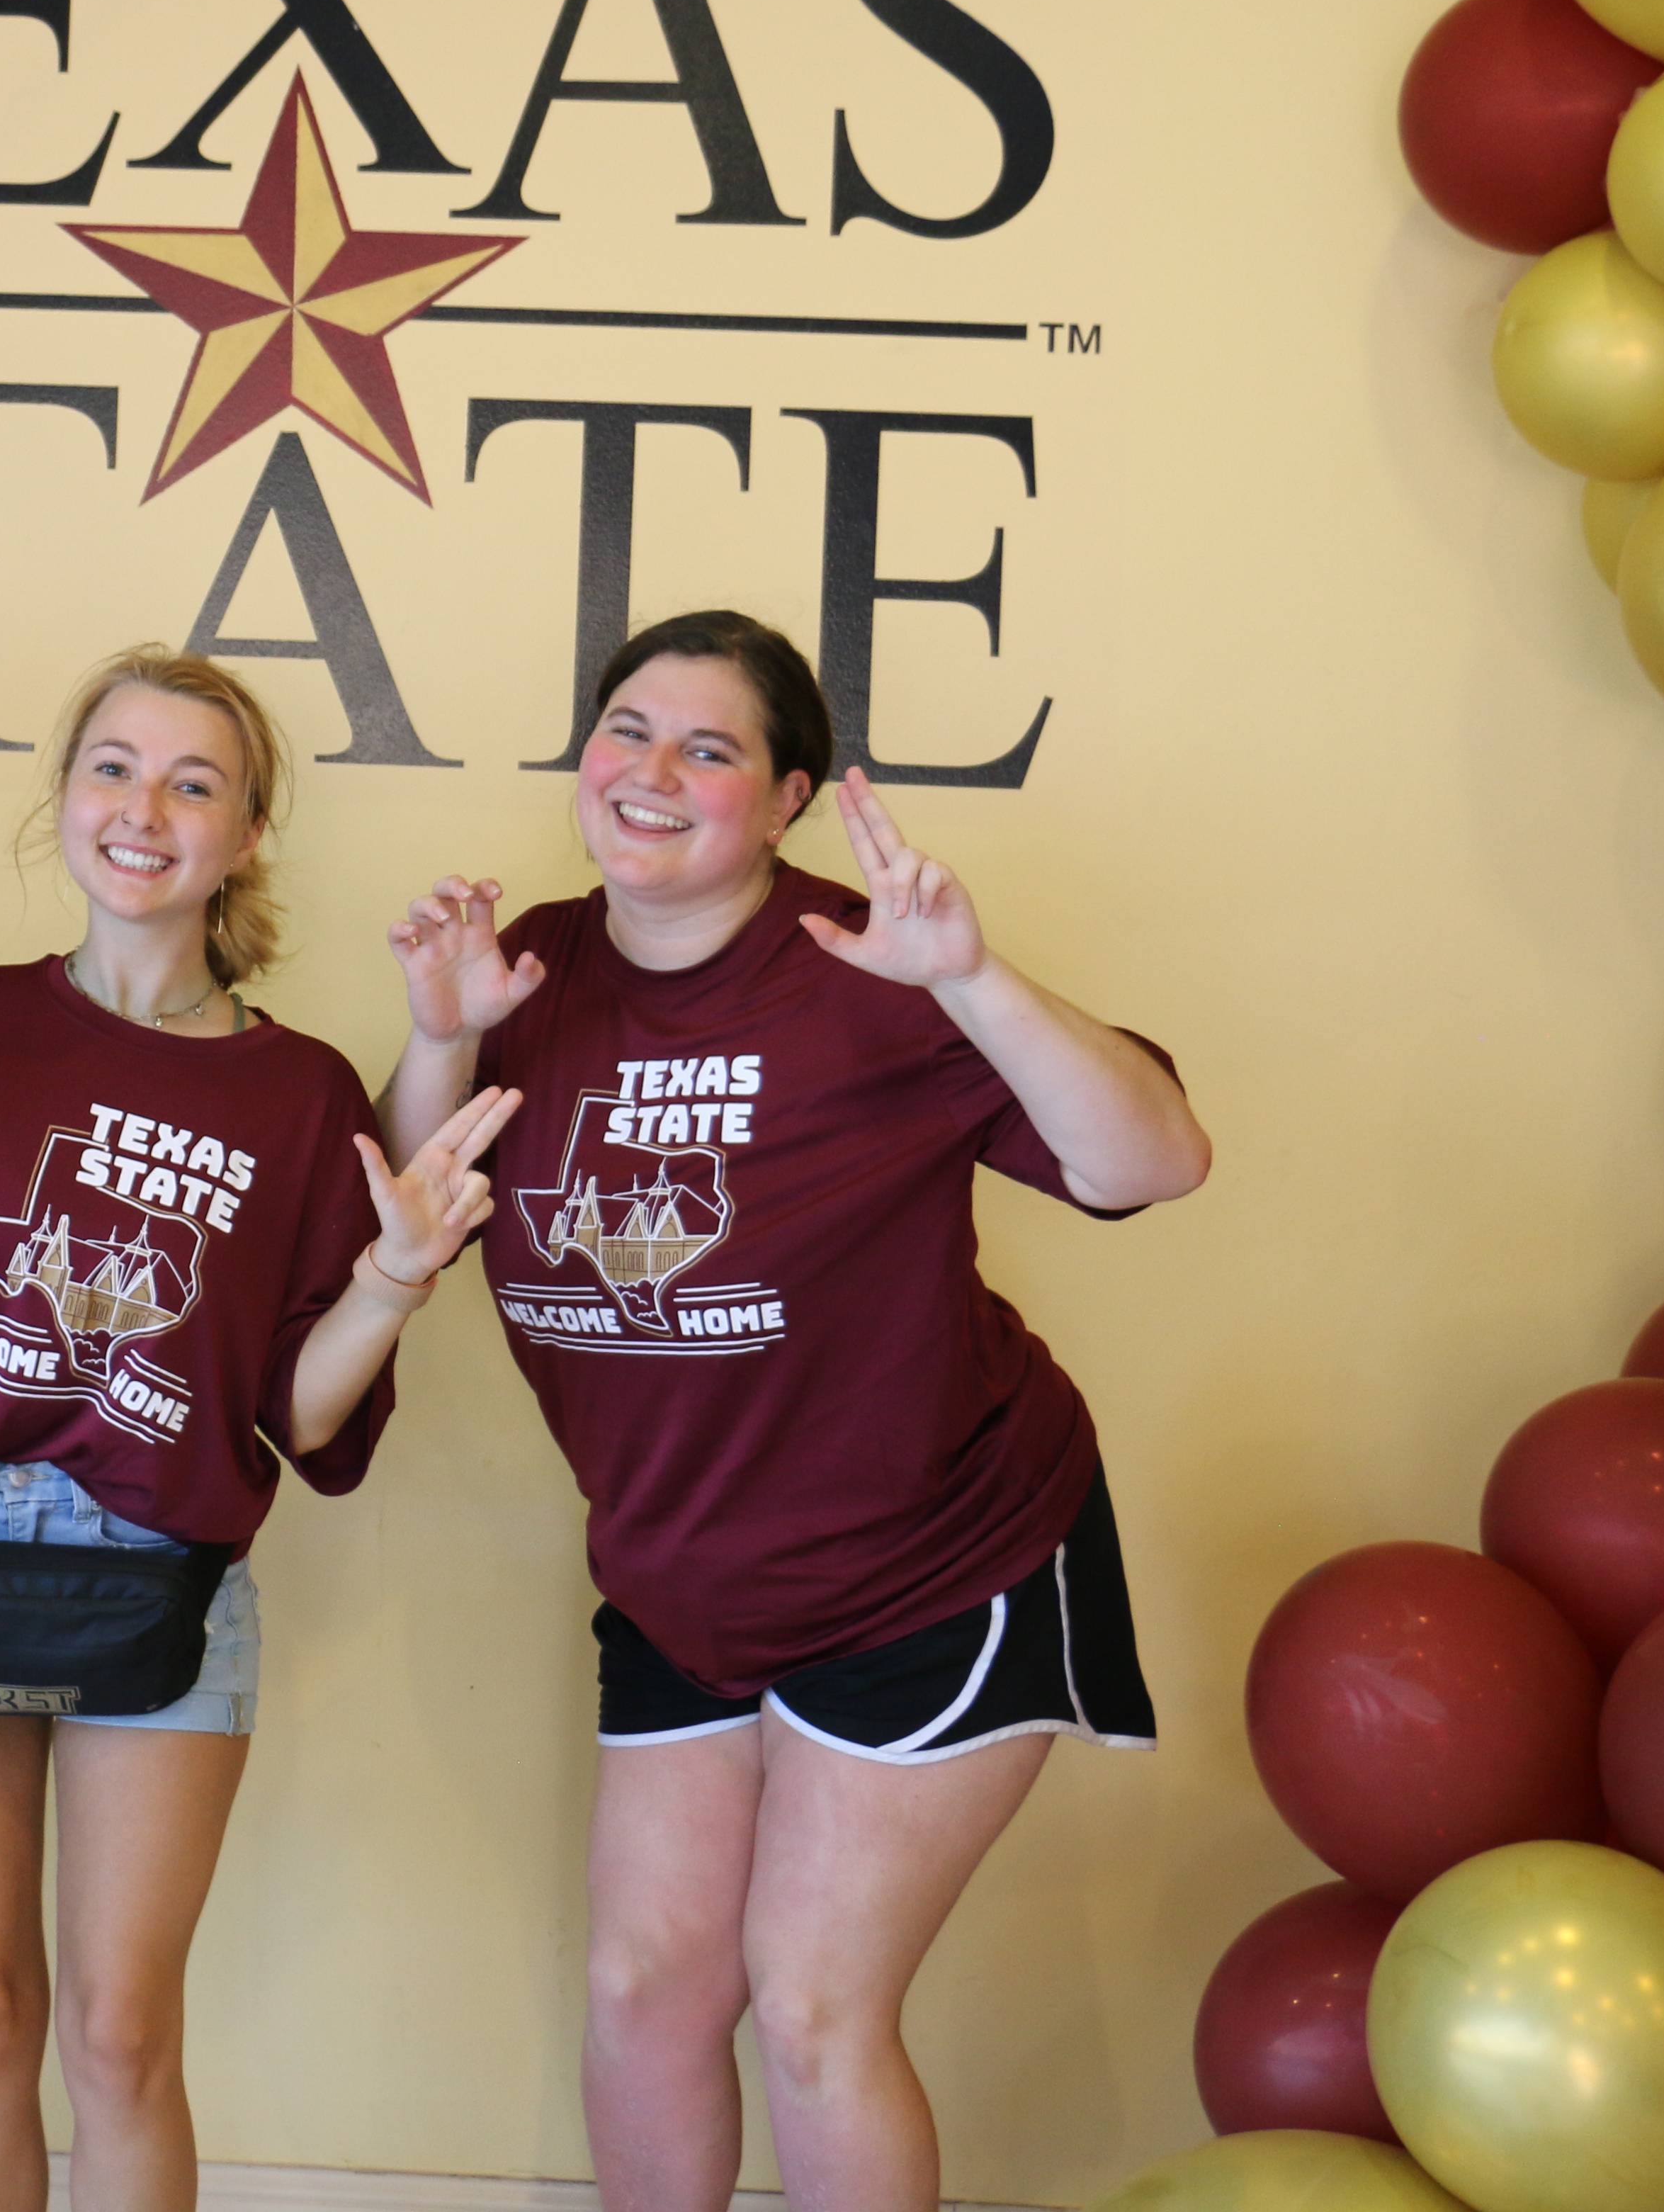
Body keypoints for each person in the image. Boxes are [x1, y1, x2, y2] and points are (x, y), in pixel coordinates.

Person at [378, 610, 1209, 2212]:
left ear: (789, 798)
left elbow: (1149, 1164)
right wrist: (440, 1031)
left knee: (818, 2009)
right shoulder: (528, 970)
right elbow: (413, 1218)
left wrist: (971, 980)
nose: (654, 771)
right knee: (643, 1995)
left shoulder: (869, 966)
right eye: (629, 729)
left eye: (712, 749)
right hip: (687, 1574)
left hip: (935, 1557)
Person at [0, 646, 516, 2212]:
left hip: (166, 1587)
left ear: (249, 834)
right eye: (114, 769)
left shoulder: (300, 1093)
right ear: (65, 802)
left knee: (125, 2038)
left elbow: (304, 1419)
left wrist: (396, 1281)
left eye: (195, 783)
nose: (146, 808)